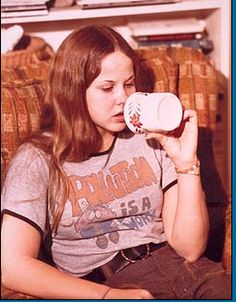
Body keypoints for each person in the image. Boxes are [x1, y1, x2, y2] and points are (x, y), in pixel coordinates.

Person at [1, 25, 231, 299]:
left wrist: (186, 164)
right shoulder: (37, 159)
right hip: (106, 282)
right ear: (73, 90)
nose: (123, 98)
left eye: (129, 83)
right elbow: (13, 266)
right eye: (107, 88)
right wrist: (107, 295)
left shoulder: (152, 137)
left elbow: (190, 248)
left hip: (185, 270)